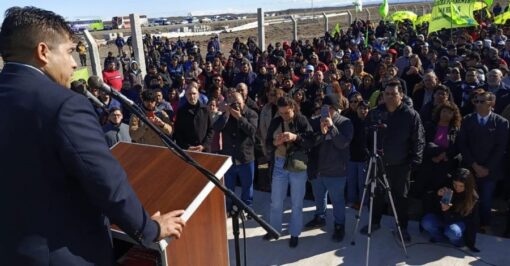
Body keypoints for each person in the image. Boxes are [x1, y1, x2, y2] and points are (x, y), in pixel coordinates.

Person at [0, 7, 185, 265]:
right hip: (66, 254)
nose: (75, 62)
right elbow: (107, 182)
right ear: (43, 52)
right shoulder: (64, 105)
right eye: (68, 51)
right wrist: (149, 228)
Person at [360, 81, 425, 243]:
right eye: (386, 94)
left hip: (401, 165)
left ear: (401, 95)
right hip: (378, 163)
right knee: (375, 195)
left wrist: (414, 162)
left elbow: (419, 140)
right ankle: (374, 222)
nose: (389, 97)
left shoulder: (411, 115)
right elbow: (365, 137)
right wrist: (368, 155)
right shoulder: (375, 113)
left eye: (393, 94)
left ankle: (401, 227)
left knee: (400, 198)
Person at [264, 96, 314, 248]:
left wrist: (295, 137)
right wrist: (275, 142)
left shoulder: (301, 120)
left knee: (296, 203)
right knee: (276, 201)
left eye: (287, 112)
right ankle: (274, 229)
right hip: (280, 163)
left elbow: (311, 140)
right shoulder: (276, 121)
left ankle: (294, 233)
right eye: (281, 113)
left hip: (297, 165)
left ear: (293, 107)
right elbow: (267, 143)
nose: (284, 116)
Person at [457, 91, 509, 233]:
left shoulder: (501, 123)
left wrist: (486, 168)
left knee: (486, 200)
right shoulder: (467, 120)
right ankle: (468, 224)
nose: (478, 104)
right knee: (469, 197)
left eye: (482, 101)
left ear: (491, 104)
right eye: (476, 101)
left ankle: (485, 225)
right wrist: (474, 165)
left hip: (490, 171)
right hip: (470, 168)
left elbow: (501, 147)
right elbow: (463, 144)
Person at [304, 94, 353, 242]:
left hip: (336, 170)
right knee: (319, 197)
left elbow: (343, 143)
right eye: (324, 108)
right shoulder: (314, 121)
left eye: (330, 108)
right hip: (318, 169)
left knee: (337, 200)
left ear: (336, 109)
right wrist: (320, 132)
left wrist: (331, 127)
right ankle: (320, 216)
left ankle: (339, 225)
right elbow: (308, 142)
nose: (327, 111)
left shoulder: (345, 123)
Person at [214, 92, 258, 214]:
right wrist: (227, 114)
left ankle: (247, 209)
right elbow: (216, 128)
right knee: (229, 187)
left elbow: (252, 131)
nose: (236, 105)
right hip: (229, 157)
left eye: (238, 102)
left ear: (243, 101)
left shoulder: (251, 113)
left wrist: (240, 117)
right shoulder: (225, 115)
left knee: (247, 186)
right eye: (234, 103)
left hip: (245, 156)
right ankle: (230, 208)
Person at [421, 168, 480, 252]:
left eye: (461, 186)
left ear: (467, 185)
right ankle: (440, 238)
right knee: (426, 221)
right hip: (444, 217)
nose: (457, 188)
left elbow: (469, 220)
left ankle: (457, 242)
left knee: (452, 231)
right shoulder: (447, 186)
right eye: (455, 184)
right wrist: (437, 194)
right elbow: (429, 205)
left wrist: (447, 210)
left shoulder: (472, 197)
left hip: (458, 221)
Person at [173, 83, 213, 152]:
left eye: (194, 93)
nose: (192, 96)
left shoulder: (206, 110)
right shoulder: (181, 112)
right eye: (189, 94)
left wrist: (203, 145)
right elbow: (178, 132)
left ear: (198, 95)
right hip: (188, 151)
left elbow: (211, 130)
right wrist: (187, 147)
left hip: (204, 150)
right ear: (186, 95)